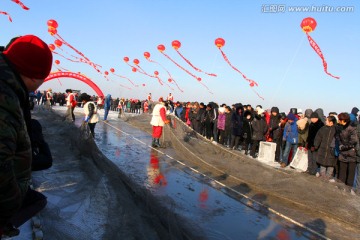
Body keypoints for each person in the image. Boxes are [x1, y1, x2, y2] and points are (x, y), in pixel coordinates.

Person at [0, 35, 52, 237]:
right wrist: (10, 206)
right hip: (5, 201)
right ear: (33, 76)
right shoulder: (5, 100)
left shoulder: (10, 86)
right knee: (37, 201)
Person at [337, 112, 358, 187]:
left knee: (350, 174)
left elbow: (354, 140)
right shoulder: (339, 127)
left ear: (343, 120)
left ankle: (349, 189)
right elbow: (338, 137)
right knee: (342, 172)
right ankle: (340, 188)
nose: (338, 120)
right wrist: (340, 145)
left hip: (351, 153)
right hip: (342, 153)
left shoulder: (352, 128)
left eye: (339, 119)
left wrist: (344, 146)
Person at [314, 116, 337, 181]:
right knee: (322, 162)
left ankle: (328, 176)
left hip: (332, 150)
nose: (325, 121)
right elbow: (318, 138)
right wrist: (316, 145)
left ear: (331, 122)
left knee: (331, 163)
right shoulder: (323, 129)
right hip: (322, 148)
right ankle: (322, 175)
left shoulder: (336, 129)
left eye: (327, 120)